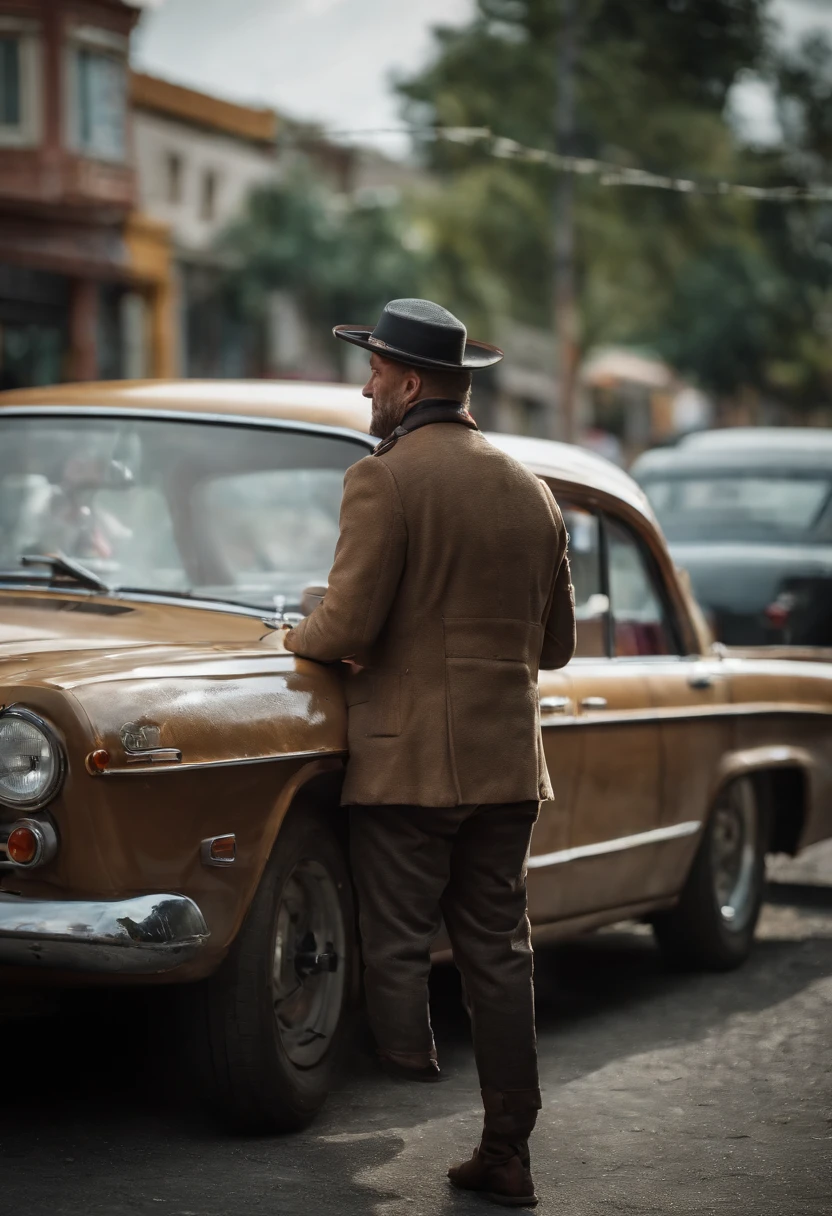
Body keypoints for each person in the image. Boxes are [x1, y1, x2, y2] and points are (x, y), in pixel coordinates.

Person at [284, 298, 575, 1208]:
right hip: (505, 766)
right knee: (500, 950)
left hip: (406, 759)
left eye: (374, 371)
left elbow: (348, 624)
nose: (367, 386)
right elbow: (557, 645)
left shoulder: (386, 479)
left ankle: (405, 1057)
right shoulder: (532, 489)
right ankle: (507, 1149)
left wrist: (295, 633)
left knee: (396, 927)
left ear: (409, 384)